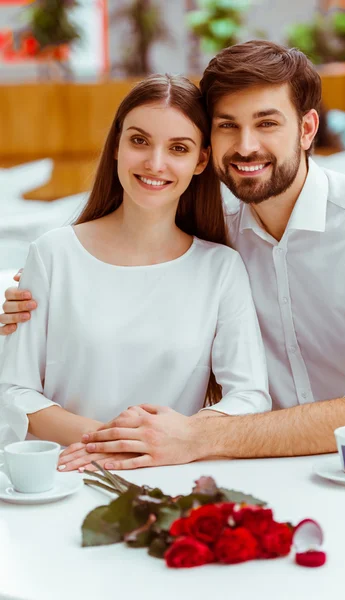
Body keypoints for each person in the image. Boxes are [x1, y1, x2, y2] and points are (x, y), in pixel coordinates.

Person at [2, 41, 345, 471]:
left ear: (307, 129)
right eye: (228, 125)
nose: (247, 147)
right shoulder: (211, 227)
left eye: (267, 123)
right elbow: (111, 269)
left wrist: (191, 436)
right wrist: (24, 300)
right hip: (250, 465)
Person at [0, 73, 271, 471]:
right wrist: (115, 441)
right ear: (117, 144)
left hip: (175, 478)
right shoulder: (53, 254)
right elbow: (14, 391)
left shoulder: (221, 269)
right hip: (66, 475)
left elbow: (249, 397)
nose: (155, 163)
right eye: (139, 140)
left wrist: (166, 444)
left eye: (178, 147)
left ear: (201, 160)